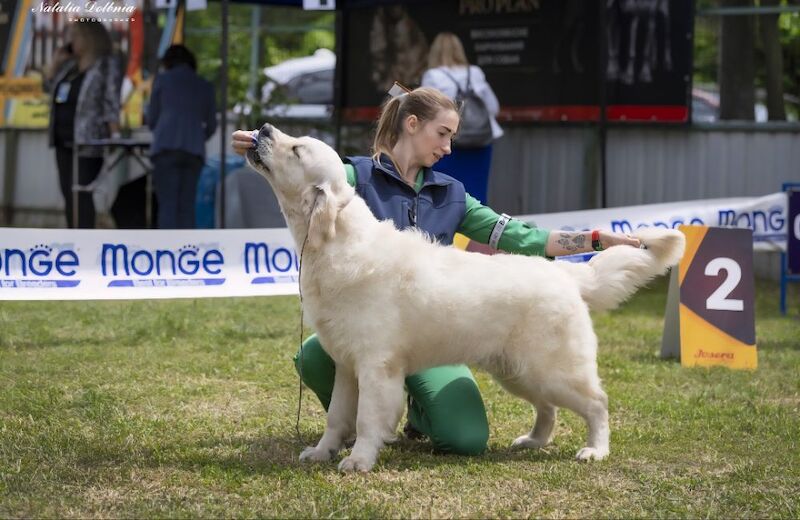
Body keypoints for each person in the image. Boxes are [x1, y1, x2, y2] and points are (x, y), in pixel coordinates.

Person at [231, 86, 639, 456]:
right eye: (443, 134)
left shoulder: (452, 194)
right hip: (373, 330)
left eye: (452, 137)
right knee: (320, 355)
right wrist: (260, 149)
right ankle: (352, 429)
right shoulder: (355, 177)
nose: (448, 147)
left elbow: (521, 236)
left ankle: (418, 412)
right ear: (412, 125)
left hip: (436, 336)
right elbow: (313, 172)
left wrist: (596, 240)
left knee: (465, 439)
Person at [45, 21, 121, 229]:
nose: (70, 42)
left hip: (88, 141)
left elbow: (111, 101)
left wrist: (114, 135)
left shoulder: (105, 65)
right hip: (63, 140)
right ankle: (73, 235)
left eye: (75, 36)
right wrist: (55, 65)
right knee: (68, 194)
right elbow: (49, 89)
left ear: (89, 39)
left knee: (81, 193)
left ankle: (84, 237)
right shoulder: (69, 67)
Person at [421, 32, 502, 204]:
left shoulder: (433, 75)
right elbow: (494, 107)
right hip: (480, 142)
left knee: (447, 192)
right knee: (477, 190)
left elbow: (424, 110)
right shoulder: (475, 72)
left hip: (449, 143)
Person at [147, 44, 217, 229]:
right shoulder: (204, 85)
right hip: (194, 151)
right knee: (187, 207)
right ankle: (186, 245)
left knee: (167, 206)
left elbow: (152, 119)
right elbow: (212, 125)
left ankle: (166, 245)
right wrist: (196, 137)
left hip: (165, 148)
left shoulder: (162, 80)